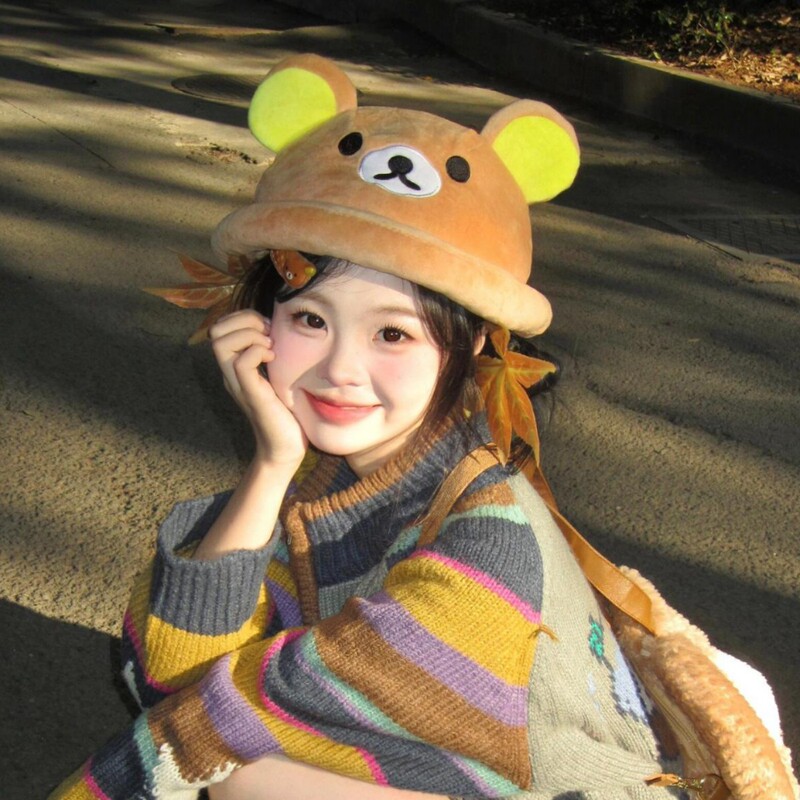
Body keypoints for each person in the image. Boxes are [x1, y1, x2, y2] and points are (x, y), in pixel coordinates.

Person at [50, 54, 781, 800]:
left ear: (469, 343)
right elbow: (167, 671)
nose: (340, 369)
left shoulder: (488, 547)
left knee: (248, 773)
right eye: (310, 319)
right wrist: (271, 465)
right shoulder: (324, 479)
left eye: (393, 333)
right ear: (262, 319)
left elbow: (206, 721)